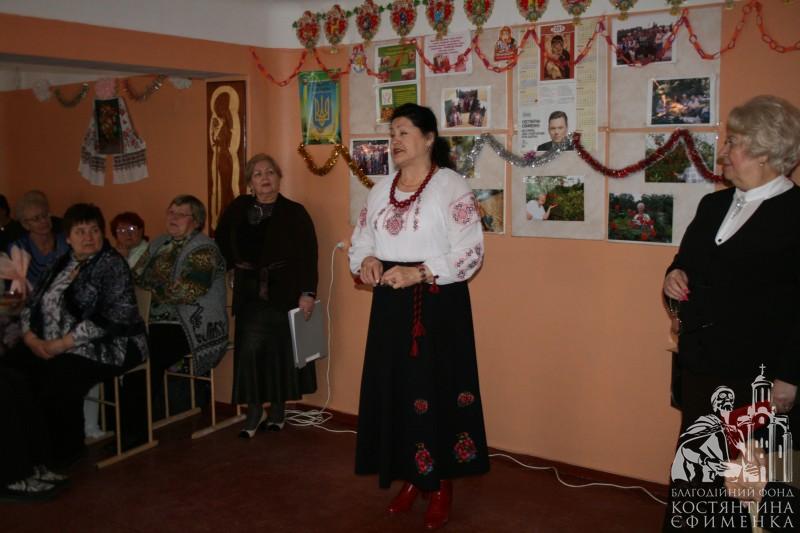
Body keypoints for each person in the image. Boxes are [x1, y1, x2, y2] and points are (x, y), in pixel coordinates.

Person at [662, 95, 800, 530]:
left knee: (751, 491)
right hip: (703, 370)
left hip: (759, 379)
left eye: (733, 142)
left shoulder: (795, 214)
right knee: (697, 478)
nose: (723, 152)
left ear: (764, 151)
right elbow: (684, 263)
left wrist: (790, 375)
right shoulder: (714, 205)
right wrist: (673, 277)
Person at [349, 103, 489, 530]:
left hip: (437, 302)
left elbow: (471, 251)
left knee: (436, 390)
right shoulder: (380, 189)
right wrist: (367, 259)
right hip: (391, 306)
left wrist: (422, 272)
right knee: (397, 390)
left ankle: (440, 483)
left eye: (404, 132)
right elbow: (361, 238)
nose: (395, 140)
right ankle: (412, 477)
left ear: (429, 139)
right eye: (392, 133)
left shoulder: (450, 186)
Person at [1, 203, 148, 468]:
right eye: (80, 231)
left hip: (113, 343)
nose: (89, 237)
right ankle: (22, 450)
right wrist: (31, 338)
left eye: (94, 230)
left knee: (59, 375)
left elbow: (113, 317)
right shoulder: (60, 263)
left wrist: (60, 344)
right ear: (68, 238)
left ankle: (63, 453)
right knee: (11, 369)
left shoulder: (111, 264)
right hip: (49, 341)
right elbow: (32, 304)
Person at [215, 154, 318, 438]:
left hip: (284, 291)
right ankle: (253, 411)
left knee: (279, 355)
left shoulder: (295, 212)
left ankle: (277, 411)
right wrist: (232, 267)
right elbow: (221, 240)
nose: (265, 178)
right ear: (250, 181)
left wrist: (307, 293)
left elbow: (309, 255)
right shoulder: (238, 208)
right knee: (249, 354)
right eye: (258, 174)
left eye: (270, 172)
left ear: (278, 177)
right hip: (249, 293)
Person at [132, 195, 228, 432]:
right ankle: (120, 425)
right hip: (152, 321)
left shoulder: (205, 248)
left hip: (191, 325)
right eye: (171, 212)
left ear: (196, 221)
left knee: (149, 354)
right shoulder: (158, 242)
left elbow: (188, 291)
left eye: (181, 214)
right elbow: (135, 278)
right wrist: (159, 286)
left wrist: (152, 287)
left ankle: (136, 431)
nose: (173, 218)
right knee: (122, 348)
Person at [11, 191, 69, 288]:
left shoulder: (66, 241)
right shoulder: (18, 248)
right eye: (36, 219)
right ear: (25, 224)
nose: (43, 221)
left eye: (45, 215)